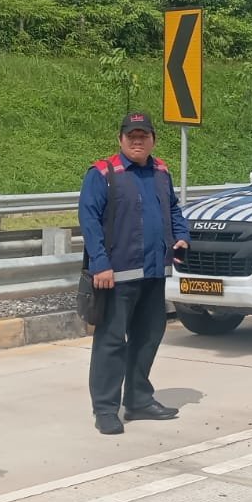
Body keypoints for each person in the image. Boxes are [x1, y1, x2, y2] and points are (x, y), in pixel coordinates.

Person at [78, 112, 190, 436]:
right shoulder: (103, 173)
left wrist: (182, 235)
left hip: (154, 272)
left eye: (143, 136)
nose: (137, 141)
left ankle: (139, 399)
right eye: (131, 136)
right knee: (111, 342)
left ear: (153, 139)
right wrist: (100, 264)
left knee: (148, 337)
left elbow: (173, 209)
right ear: (121, 139)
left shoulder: (161, 172)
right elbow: (88, 219)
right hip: (116, 276)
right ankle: (105, 409)